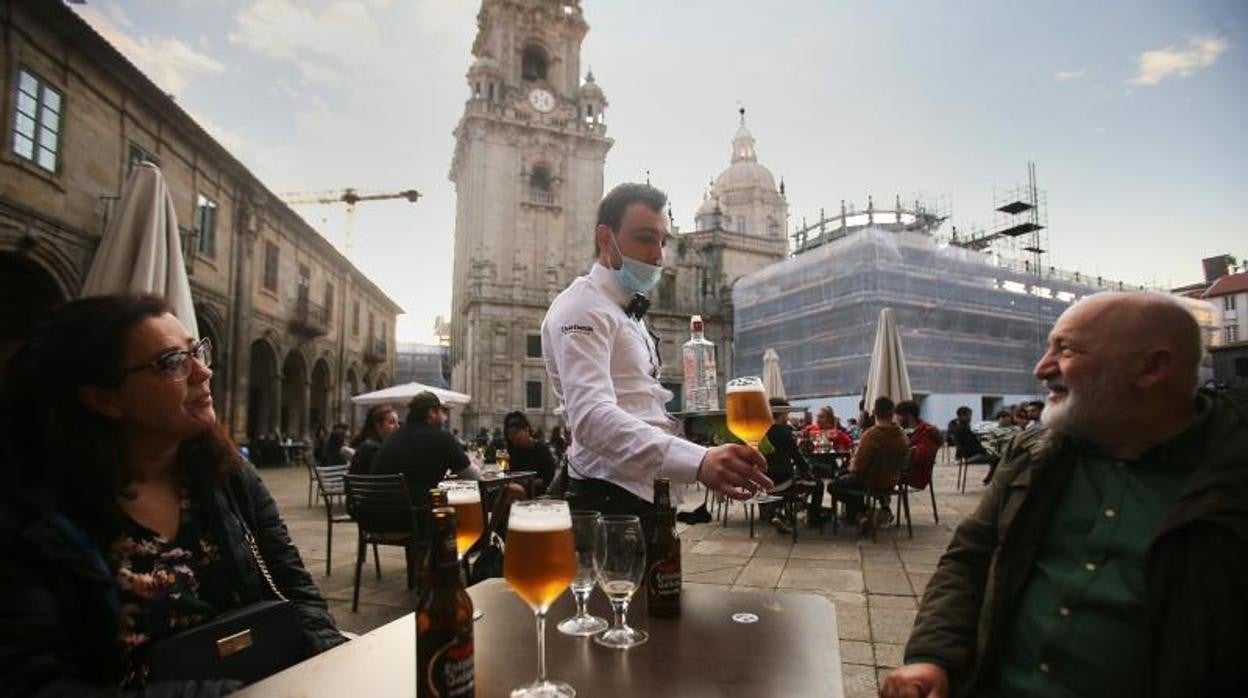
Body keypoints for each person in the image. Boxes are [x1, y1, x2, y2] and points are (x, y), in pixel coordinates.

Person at [882, 292, 1248, 698]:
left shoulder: (1229, 479)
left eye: (1067, 349)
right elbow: (970, 557)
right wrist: (933, 656)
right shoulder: (1036, 453)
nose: (1041, 368)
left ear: (1152, 366)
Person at [0, 295, 343, 696]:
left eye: (197, 351)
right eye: (171, 362)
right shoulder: (29, 516)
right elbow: (29, 683)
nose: (203, 371)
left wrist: (331, 661)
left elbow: (294, 587)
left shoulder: (228, 476)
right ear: (103, 399)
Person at [541, 182, 771, 531]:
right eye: (646, 238)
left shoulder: (626, 309)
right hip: (609, 499)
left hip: (646, 492)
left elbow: (638, 402)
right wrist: (699, 460)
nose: (659, 255)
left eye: (662, 241)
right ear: (606, 238)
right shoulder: (582, 308)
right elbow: (591, 419)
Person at [371, 391, 479, 504]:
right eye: (442, 412)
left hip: (380, 513)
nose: (445, 418)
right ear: (432, 412)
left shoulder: (393, 437)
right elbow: (473, 477)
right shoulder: (442, 438)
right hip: (416, 515)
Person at [827, 397, 909, 530]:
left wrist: (852, 463)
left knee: (833, 485)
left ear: (874, 412)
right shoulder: (902, 436)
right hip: (892, 481)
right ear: (892, 412)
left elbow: (858, 467)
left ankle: (863, 514)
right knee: (844, 476)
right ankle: (863, 516)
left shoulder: (871, 435)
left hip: (871, 481)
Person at [761, 398, 816, 534]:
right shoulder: (785, 433)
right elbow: (798, 459)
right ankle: (813, 518)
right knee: (817, 484)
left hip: (762, 482)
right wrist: (808, 471)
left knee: (787, 485)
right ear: (781, 414)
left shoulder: (758, 432)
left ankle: (777, 512)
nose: (788, 417)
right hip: (784, 481)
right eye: (787, 414)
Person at [502, 410, 557, 494]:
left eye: (517, 436)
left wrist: (527, 482)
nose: (515, 440)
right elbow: (509, 474)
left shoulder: (542, 449)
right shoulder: (513, 451)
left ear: (527, 430)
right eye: (511, 437)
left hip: (537, 494)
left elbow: (548, 478)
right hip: (516, 491)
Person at [895, 400, 942, 491]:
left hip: (914, 477)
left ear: (909, 416)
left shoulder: (927, 431)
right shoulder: (909, 431)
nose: (897, 419)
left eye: (899, 415)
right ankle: (884, 504)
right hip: (902, 473)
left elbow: (922, 456)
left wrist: (905, 443)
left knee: (874, 477)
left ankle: (883, 503)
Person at [347, 404, 400, 476]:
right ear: (378, 425)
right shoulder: (375, 449)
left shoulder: (367, 445)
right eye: (391, 422)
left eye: (397, 422)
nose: (397, 427)